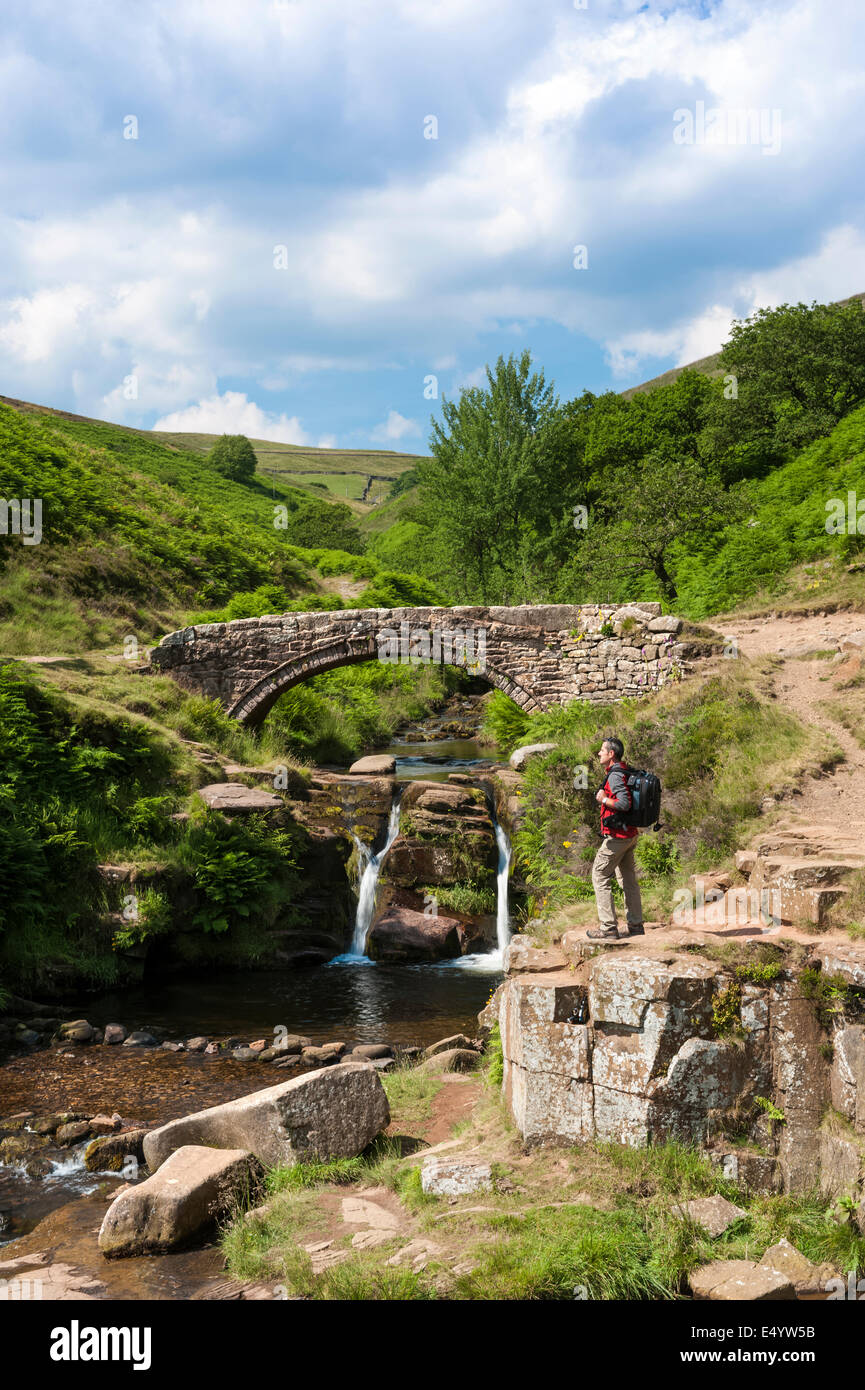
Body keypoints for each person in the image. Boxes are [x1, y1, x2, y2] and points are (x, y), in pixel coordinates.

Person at [586, 736, 645, 940]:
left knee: (600, 875)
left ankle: (608, 928)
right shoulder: (624, 770)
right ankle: (636, 925)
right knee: (627, 879)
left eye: (602, 750)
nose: (599, 753)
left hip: (618, 837)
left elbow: (624, 804)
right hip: (629, 834)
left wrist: (604, 799)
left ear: (611, 754)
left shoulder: (615, 776)